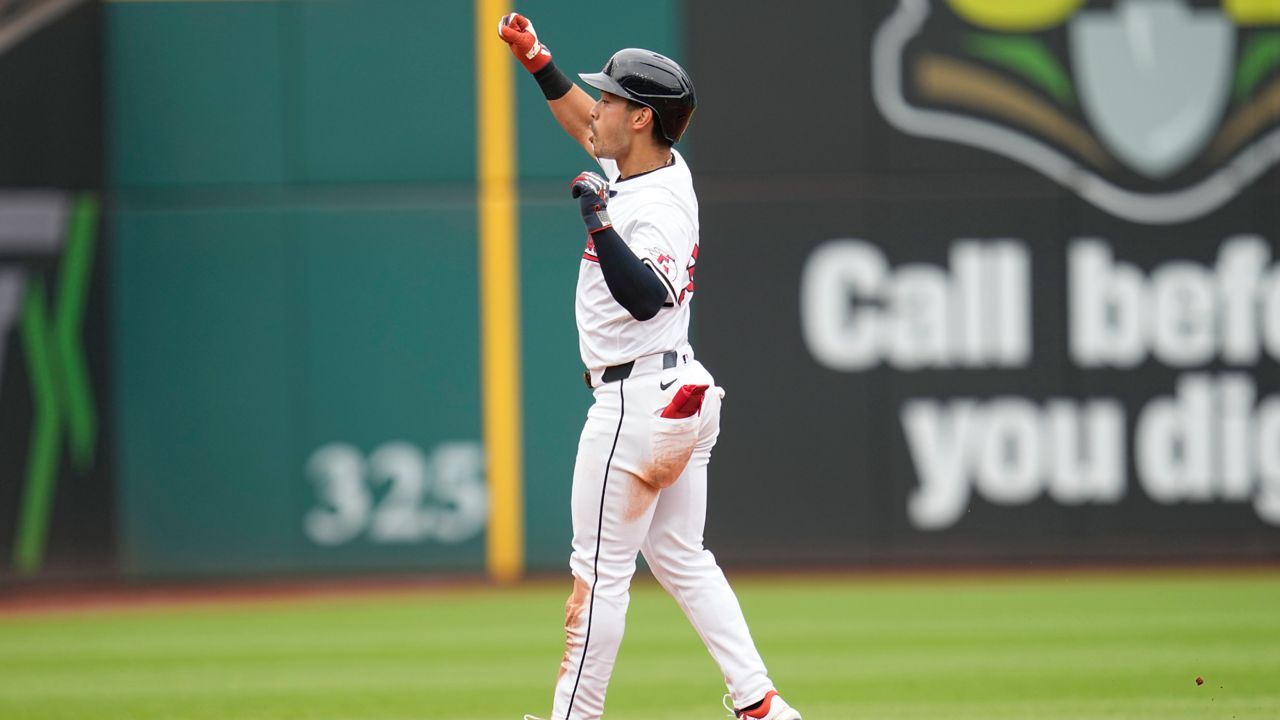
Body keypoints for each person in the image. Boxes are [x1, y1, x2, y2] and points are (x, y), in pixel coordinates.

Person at [497, 12, 803, 720]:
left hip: (636, 405)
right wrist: (538, 59)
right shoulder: (647, 163)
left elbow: (647, 296)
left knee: (599, 578)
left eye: (609, 98)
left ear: (640, 117)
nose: (596, 106)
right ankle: (759, 703)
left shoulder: (654, 205)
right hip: (676, 389)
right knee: (681, 556)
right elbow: (584, 128)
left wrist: (598, 223)